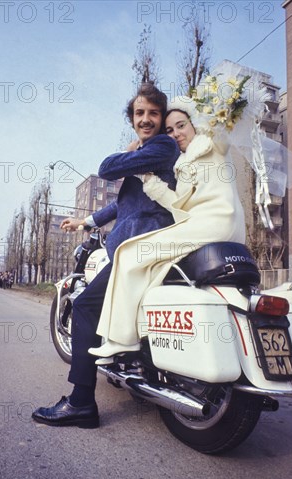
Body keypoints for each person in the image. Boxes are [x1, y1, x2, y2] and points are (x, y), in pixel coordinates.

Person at [32, 82, 180, 428]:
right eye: (139, 113)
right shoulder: (150, 159)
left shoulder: (161, 146)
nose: (146, 119)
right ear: (132, 117)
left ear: (161, 118)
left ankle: (81, 402)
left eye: (153, 113)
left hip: (141, 245)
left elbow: (107, 166)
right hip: (138, 240)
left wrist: (130, 150)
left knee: (85, 306)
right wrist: (85, 220)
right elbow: (124, 203)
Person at [89, 91, 250, 358]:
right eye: (169, 129)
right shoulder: (184, 165)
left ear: (196, 124)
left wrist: (224, 100)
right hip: (206, 227)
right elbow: (179, 205)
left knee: (129, 253)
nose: (175, 133)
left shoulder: (212, 142)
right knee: (153, 265)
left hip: (214, 224)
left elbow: (222, 124)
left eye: (181, 125)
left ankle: (122, 337)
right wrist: (149, 180)